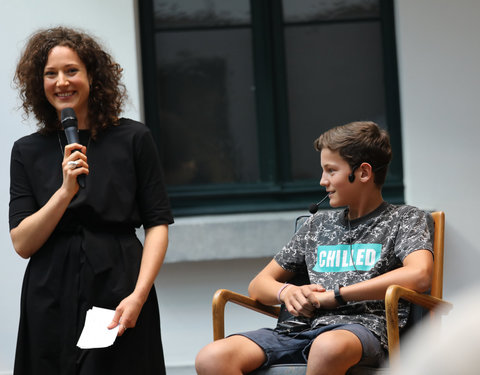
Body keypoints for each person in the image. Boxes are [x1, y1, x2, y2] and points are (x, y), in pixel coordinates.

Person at [195, 121, 434, 375]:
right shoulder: (317, 225)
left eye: (331, 171)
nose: (322, 181)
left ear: (363, 173)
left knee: (326, 347)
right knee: (212, 358)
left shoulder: (405, 219)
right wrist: (286, 292)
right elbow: (259, 284)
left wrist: (337, 296)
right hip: (298, 332)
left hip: (362, 331)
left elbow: (419, 275)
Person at [10, 26, 173, 374]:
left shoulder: (133, 138)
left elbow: (157, 223)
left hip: (119, 282)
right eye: (50, 74)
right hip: (50, 289)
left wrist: (139, 295)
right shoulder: (27, 150)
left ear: (92, 76)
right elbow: (22, 243)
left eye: (71, 71)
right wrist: (65, 191)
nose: (61, 82)